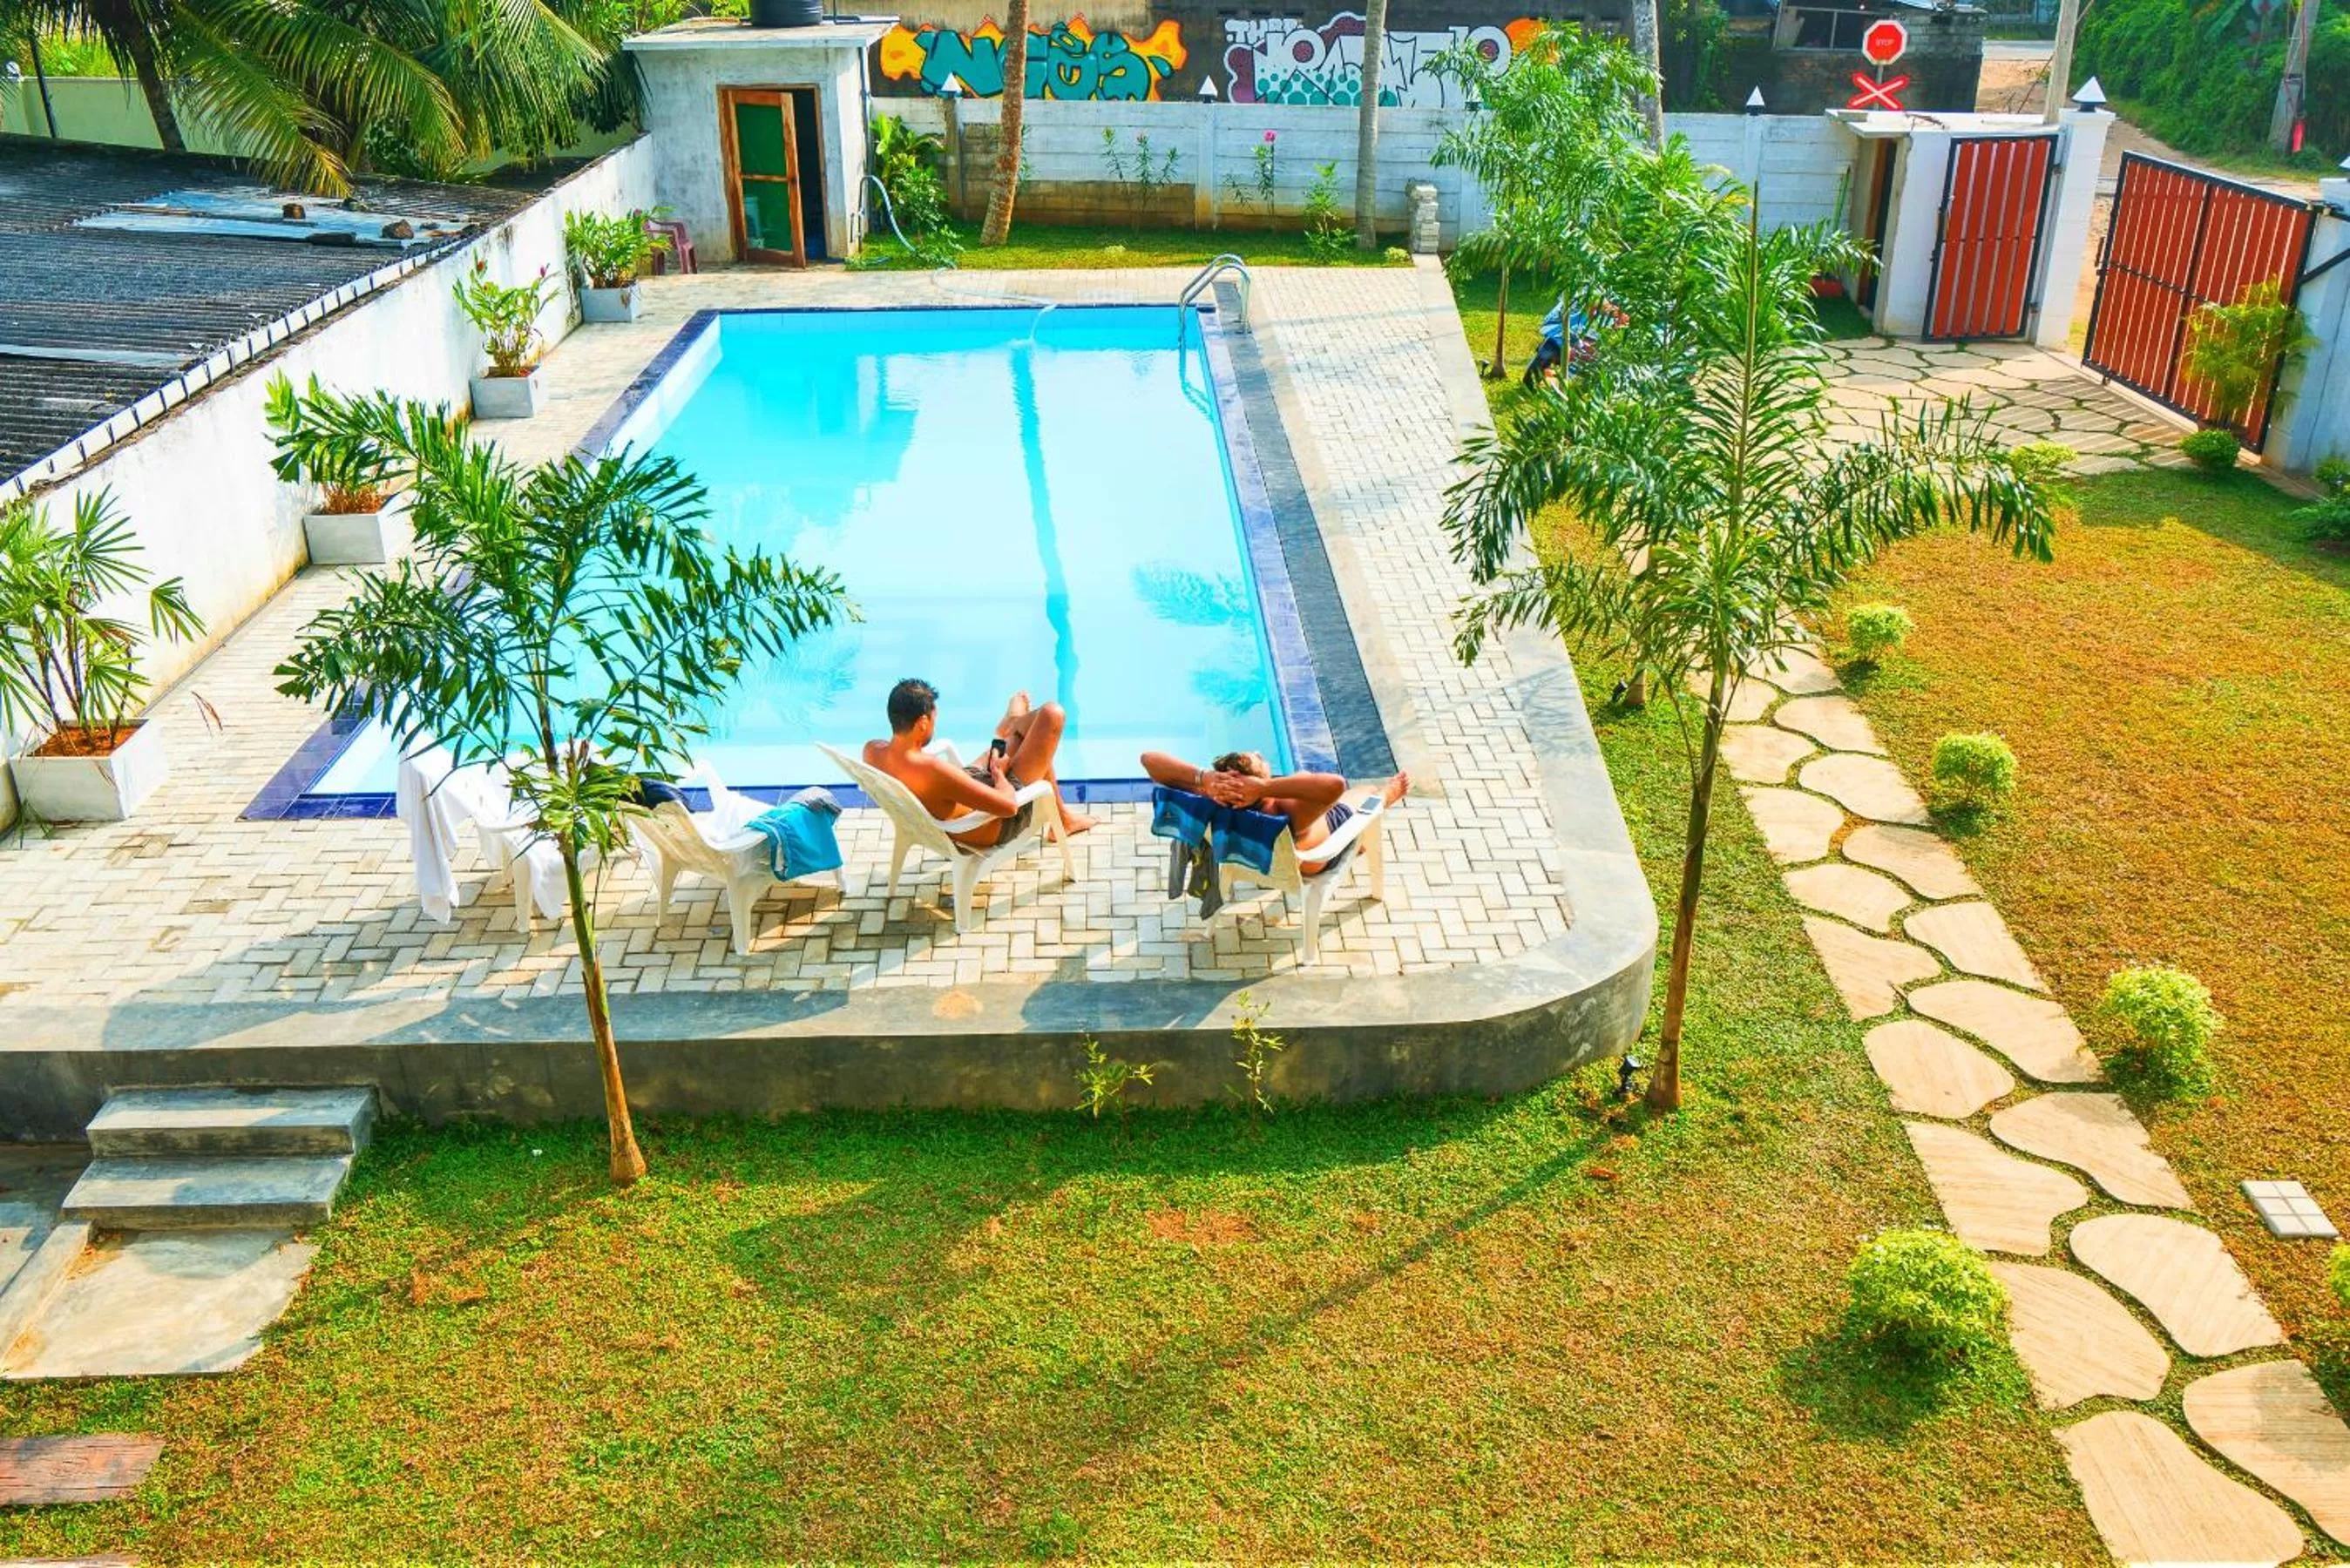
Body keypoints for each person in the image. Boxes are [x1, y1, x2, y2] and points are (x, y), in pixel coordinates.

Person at [865, 679, 1095, 849]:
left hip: (957, 796)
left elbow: (949, 782)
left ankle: (1011, 727)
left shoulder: (872, 752)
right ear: (923, 723)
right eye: (934, 719)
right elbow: (1008, 807)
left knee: (1023, 739)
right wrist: (999, 774)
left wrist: (993, 766)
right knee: (1052, 715)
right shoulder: (932, 770)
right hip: (989, 825)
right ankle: (1012, 724)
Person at [1141, 748, 1408, 874]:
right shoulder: (1285, 809)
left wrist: (1204, 778)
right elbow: (1336, 785)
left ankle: (1361, 841)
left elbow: (1148, 760)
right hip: (1318, 854)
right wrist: (1266, 787)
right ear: (1256, 784)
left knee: (1303, 779)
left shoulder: (1212, 800)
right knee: (1367, 793)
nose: (1260, 753)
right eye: (1261, 760)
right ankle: (1389, 794)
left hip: (1251, 855)